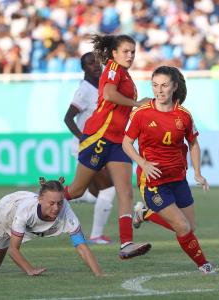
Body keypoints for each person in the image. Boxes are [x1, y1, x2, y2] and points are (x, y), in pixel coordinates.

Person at [63, 34, 152, 259]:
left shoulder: (125, 74)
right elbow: (110, 95)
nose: (130, 55)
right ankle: (34, 205)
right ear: (113, 53)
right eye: (126, 51)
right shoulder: (112, 68)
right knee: (76, 190)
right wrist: (136, 104)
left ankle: (126, 244)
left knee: (125, 192)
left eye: (133, 51)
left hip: (117, 141)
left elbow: (119, 106)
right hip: (99, 137)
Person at [122, 66, 216, 274]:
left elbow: (193, 143)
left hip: (178, 179)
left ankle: (144, 214)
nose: (159, 90)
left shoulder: (183, 115)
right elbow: (126, 143)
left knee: (190, 227)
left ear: (174, 86)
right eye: (155, 85)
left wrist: (198, 173)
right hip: (153, 181)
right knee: (182, 227)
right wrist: (143, 163)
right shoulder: (142, 114)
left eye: (164, 85)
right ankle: (204, 265)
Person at [0, 177, 103, 276]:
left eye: (59, 203)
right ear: (40, 200)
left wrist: (99, 274)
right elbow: (13, 249)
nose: (56, 208)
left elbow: (81, 246)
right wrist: (29, 269)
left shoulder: (66, 211)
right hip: (6, 214)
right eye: (52, 203)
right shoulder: (25, 212)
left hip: (21, 206)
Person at [64, 52, 116, 245]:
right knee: (109, 189)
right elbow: (68, 118)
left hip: (99, 145)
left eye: (97, 62)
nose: (96, 66)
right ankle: (96, 235)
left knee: (95, 194)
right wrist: (83, 139)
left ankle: (63, 196)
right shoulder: (85, 89)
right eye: (90, 63)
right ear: (84, 68)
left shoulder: (102, 87)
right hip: (87, 147)